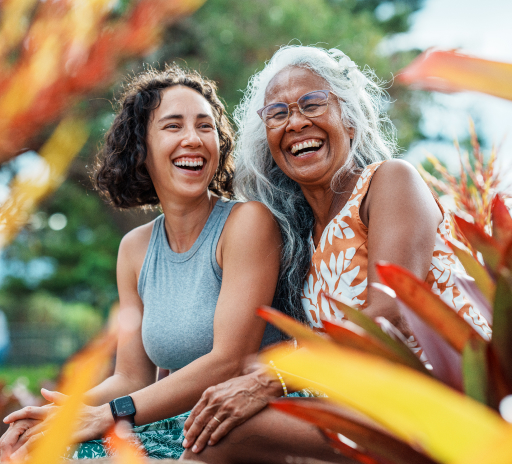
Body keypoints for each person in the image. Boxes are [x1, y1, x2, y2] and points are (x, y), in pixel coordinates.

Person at [180, 45, 491, 463]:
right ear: (266, 137)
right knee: (215, 424)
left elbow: (386, 314)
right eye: (278, 113)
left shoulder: (390, 182)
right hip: (366, 407)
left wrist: (268, 381)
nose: (296, 122)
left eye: (313, 103)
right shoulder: (299, 237)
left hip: (442, 404)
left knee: (225, 435)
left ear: (350, 118)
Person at [0, 64, 284, 461]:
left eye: (205, 126)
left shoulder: (247, 223)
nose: (193, 139)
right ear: (142, 149)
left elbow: (229, 361)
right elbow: (131, 377)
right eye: (173, 126)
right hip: (170, 426)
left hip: (235, 429)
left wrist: (107, 414)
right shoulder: (134, 248)